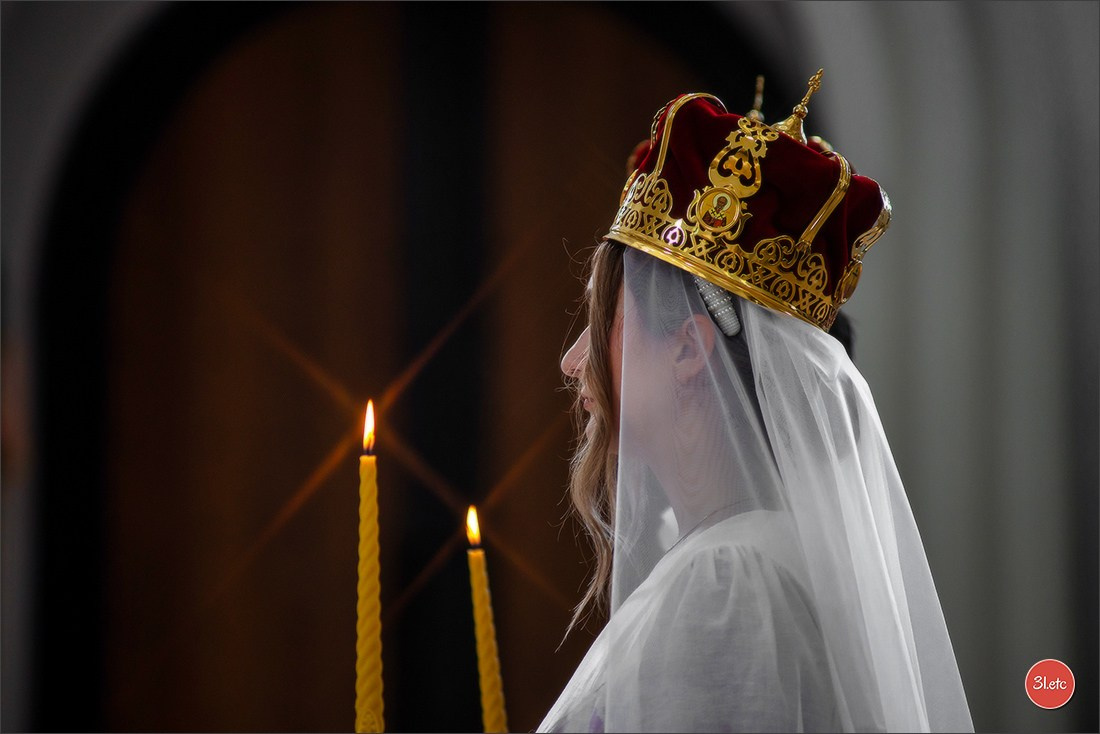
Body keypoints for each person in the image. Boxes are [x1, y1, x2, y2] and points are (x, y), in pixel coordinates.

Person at [540, 73, 973, 733]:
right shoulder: (744, 560)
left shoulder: (727, 583)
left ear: (689, 350)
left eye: (604, 321)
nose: (574, 362)